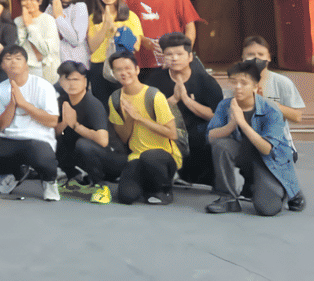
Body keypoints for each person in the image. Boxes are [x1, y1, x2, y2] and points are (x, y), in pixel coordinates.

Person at [206, 59, 305, 216]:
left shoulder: (270, 110)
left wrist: (242, 123)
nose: (237, 87)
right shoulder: (225, 105)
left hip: (270, 160)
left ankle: (288, 189)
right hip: (243, 152)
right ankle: (228, 198)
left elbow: (266, 149)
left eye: (243, 83)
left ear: (255, 86)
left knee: (267, 209)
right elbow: (211, 137)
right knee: (221, 145)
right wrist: (231, 125)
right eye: (233, 82)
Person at [145, 32, 222, 186]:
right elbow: (147, 113)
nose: (174, 58)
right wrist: (173, 100)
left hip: (199, 130)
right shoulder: (155, 79)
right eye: (169, 54)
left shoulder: (205, 81)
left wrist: (187, 100)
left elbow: (217, 116)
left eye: (179, 54)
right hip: (168, 130)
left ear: (190, 57)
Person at [106, 49, 181, 205]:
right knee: (126, 197)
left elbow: (172, 134)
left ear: (137, 69)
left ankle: (164, 189)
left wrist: (139, 118)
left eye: (128, 69)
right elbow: (125, 138)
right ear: (113, 73)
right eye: (118, 70)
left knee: (150, 156)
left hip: (163, 156)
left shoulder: (154, 96)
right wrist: (130, 120)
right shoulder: (115, 99)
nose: (123, 73)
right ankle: (148, 186)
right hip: (137, 156)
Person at [0, 45, 60, 201]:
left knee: (38, 152)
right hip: (9, 138)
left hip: (36, 139)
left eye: (18, 58)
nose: (13, 62)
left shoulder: (43, 86)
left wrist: (24, 104)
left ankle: (49, 180)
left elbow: (52, 121)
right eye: (8, 59)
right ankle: (15, 173)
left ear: (26, 64)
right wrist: (12, 105)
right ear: (2, 65)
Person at [54, 61, 122, 204]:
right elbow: (55, 133)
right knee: (55, 139)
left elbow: (103, 140)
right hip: (89, 154)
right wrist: (65, 123)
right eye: (67, 79)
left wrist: (75, 125)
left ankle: (101, 187)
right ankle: (75, 178)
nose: (71, 84)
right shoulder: (63, 100)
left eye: (76, 79)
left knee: (83, 144)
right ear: (61, 81)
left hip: (113, 158)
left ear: (85, 81)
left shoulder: (92, 104)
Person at [126, 0, 201, 75]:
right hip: (143, 64)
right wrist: (141, 40)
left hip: (174, 63)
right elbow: (127, 27)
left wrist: (185, 54)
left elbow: (190, 28)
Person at [241, 36, 306, 152]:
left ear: (269, 58)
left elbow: (297, 117)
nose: (256, 58)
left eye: (261, 54)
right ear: (243, 58)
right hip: (247, 142)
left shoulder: (282, 82)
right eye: (250, 54)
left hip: (278, 145)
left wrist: (269, 103)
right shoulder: (238, 84)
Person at [87, 0, 142, 105]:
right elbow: (92, 47)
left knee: (125, 105)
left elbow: (136, 46)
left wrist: (119, 33)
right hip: (99, 68)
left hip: (123, 67)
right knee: (103, 106)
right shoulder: (93, 18)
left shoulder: (130, 16)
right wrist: (105, 26)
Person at [15, 0, 60, 81]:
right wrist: (24, 25)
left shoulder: (48, 20)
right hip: (24, 73)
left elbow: (46, 50)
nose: (28, 3)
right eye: (24, 0)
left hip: (46, 73)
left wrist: (29, 26)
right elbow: (18, 46)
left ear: (39, 0)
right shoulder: (17, 21)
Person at [50, 0, 90, 66]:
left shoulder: (80, 7)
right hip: (55, 64)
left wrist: (59, 17)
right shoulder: (51, 7)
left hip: (75, 64)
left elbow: (76, 40)